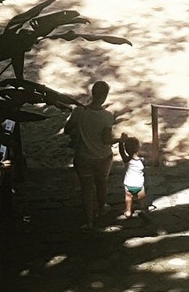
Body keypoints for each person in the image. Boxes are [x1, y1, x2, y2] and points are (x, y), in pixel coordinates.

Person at [63, 80, 116, 229]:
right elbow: (106, 140)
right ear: (105, 96)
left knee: (86, 189)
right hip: (103, 157)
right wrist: (120, 139)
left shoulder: (79, 112)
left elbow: (68, 129)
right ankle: (101, 208)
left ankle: (89, 220)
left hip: (83, 156)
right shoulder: (107, 116)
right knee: (102, 183)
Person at [117, 133, 148, 219]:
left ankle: (128, 211)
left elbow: (121, 152)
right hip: (139, 184)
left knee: (128, 198)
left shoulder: (126, 160)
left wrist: (121, 142)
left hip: (128, 184)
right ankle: (143, 210)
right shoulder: (142, 161)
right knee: (141, 199)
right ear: (138, 148)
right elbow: (144, 168)